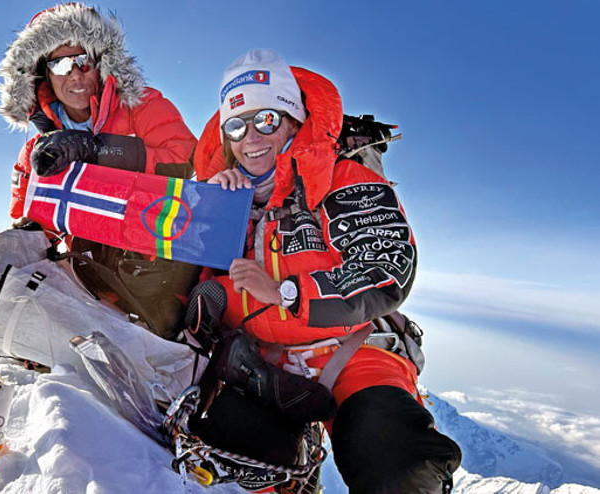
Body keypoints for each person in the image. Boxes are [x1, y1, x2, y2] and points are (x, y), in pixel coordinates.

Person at [191, 49, 462, 492]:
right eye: (236, 126)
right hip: (261, 365)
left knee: (399, 468)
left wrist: (287, 292)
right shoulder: (216, 193)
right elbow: (190, 283)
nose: (251, 137)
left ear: (293, 122)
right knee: (229, 469)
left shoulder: (343, 179)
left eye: (266, 120)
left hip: (353, 352)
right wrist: (210, 209)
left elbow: (384, 269)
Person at [0, 3, 199, 339]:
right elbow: (28, 227)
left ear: (101, 64)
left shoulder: (141, 105)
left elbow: (186, 160)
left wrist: (97, 150)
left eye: (84, 60)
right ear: (43, 75)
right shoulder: (38, 152)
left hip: (159, 277)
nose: (75, 74)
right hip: (86, 287)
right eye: (61, 64)